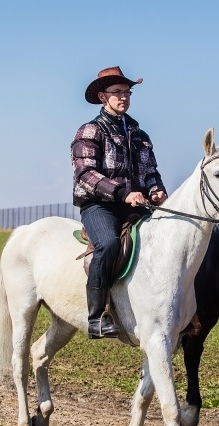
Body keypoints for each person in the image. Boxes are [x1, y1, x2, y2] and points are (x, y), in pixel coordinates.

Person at [71, 66, 168, 339]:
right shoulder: (89, 131)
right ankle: (96, 318)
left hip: (136, 205)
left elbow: (151, 172)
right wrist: (122, 193)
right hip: (99, 206)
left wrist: (157, 190)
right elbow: (86, 174)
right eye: (117, 92)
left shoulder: (140, 135)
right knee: (109, 244)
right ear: (103, 97)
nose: (123, 97)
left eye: (127, 92)